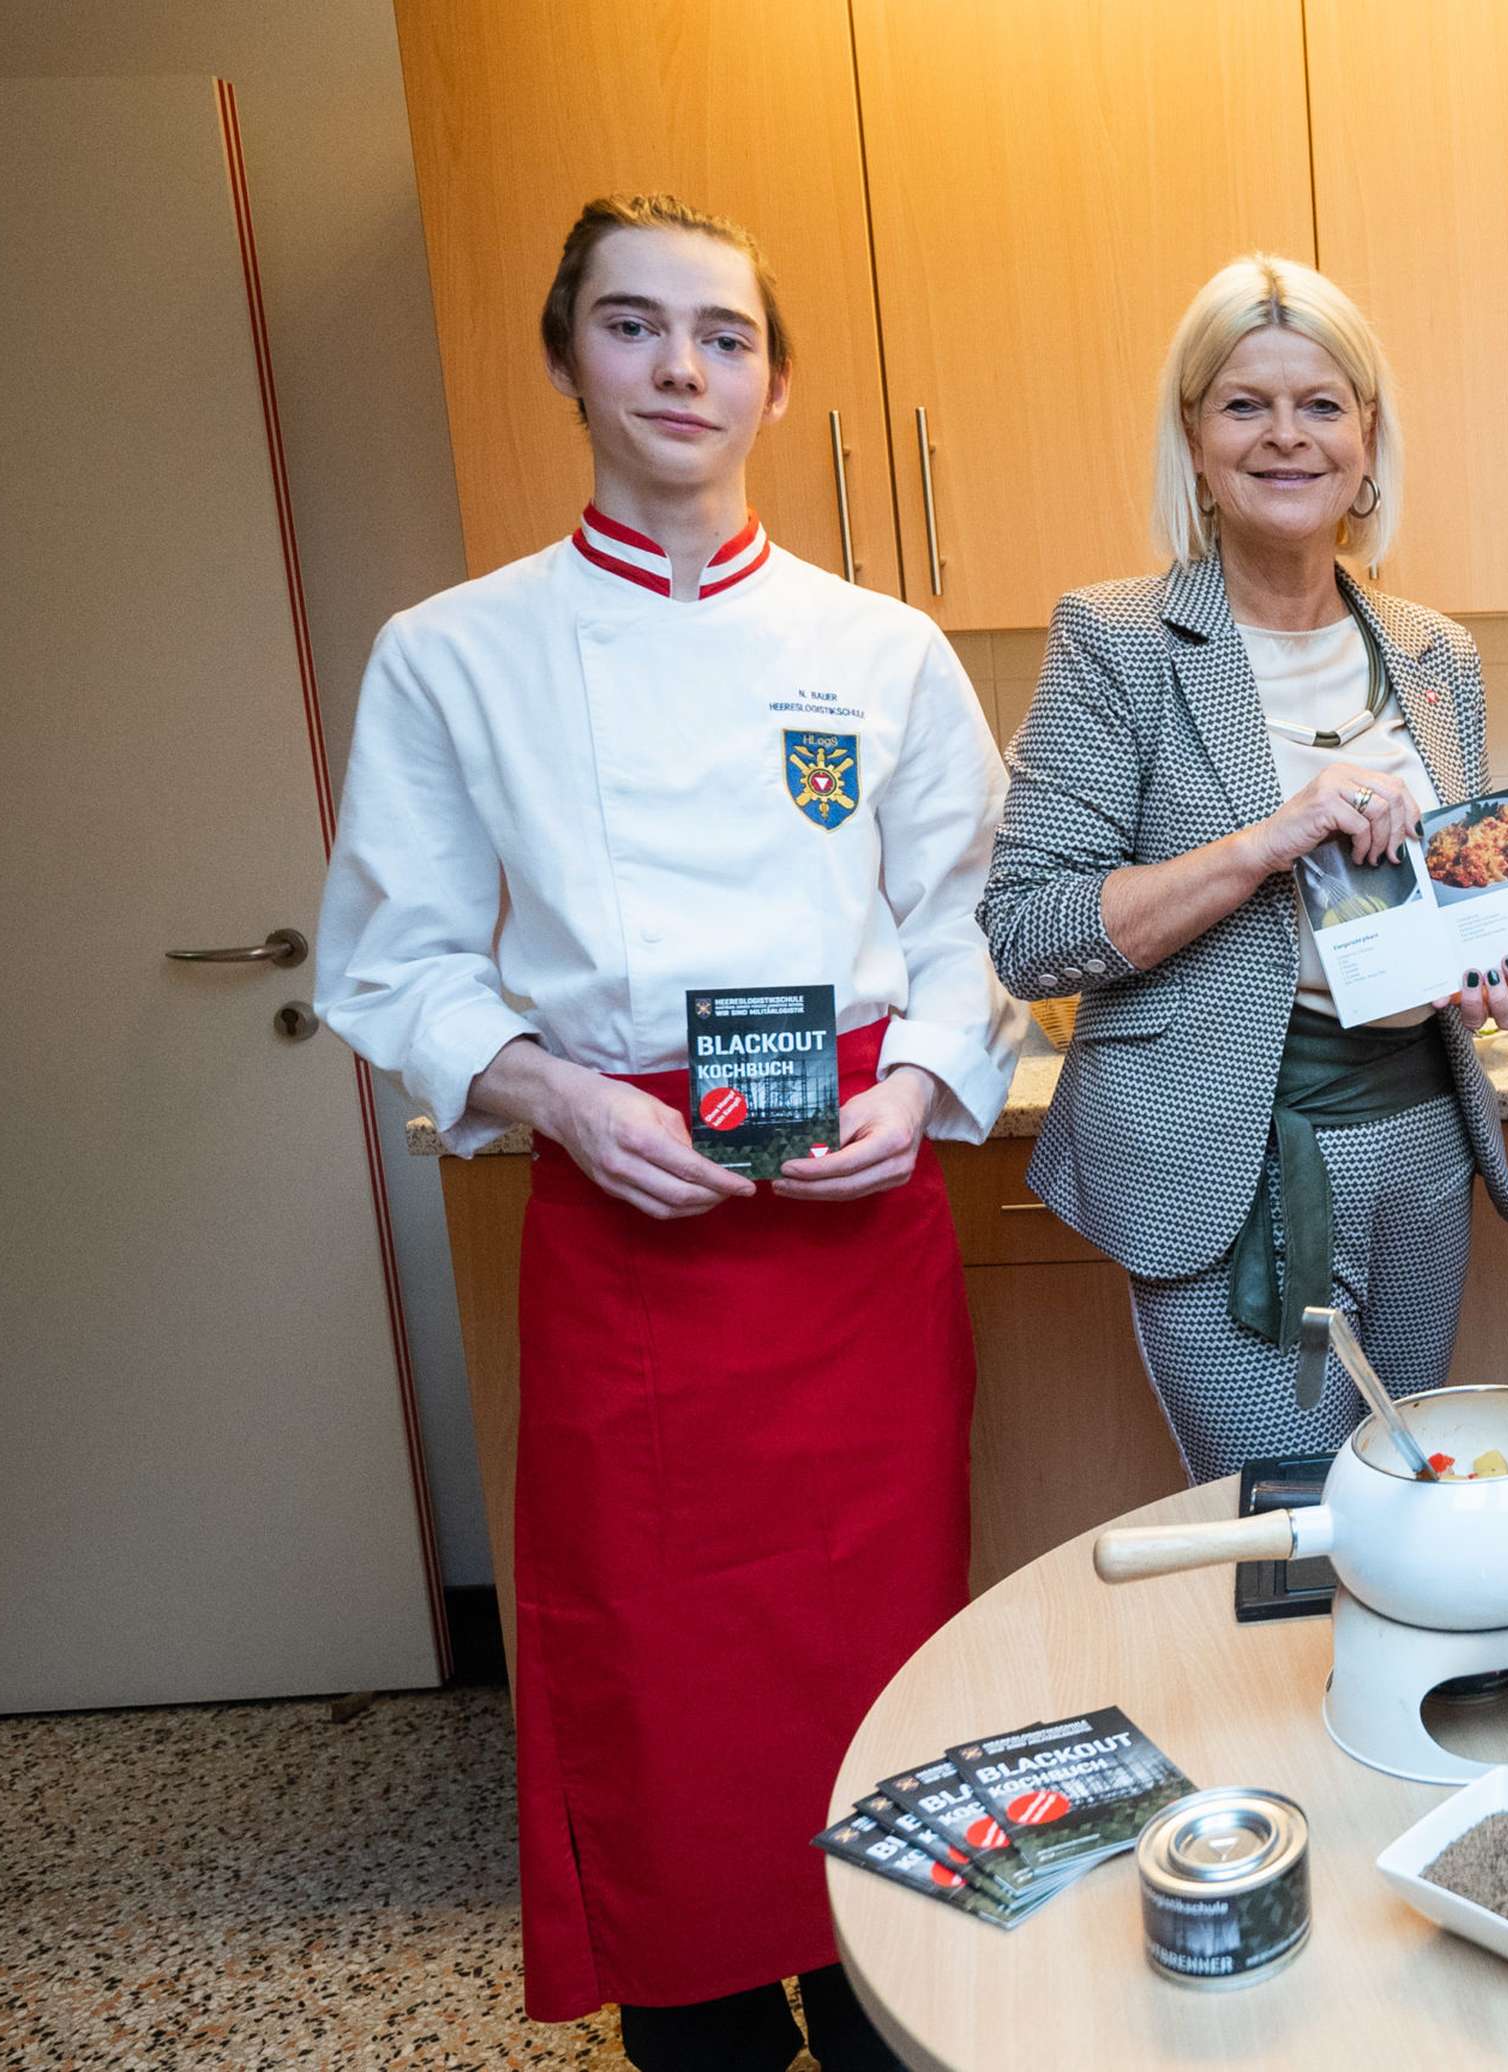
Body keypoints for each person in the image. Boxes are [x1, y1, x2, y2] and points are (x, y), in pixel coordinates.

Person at [316, 195, 1018, 2072]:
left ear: (776, 387)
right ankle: (697, 2024)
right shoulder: (452, 654)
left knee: (879, 1661)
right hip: (629, 1252)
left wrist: (921, 1084)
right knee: (657, 1682)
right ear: (569, 359)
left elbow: (971, 920)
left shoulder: (881, 648)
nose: (682, 367)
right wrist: (548, 1090)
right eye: (633, 326)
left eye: (724, 335)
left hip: (857, 1254)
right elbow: (389, 959)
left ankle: (881, 2003)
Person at [979, 253, 1508, 1483]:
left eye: (1321, 404)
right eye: (1246, 404)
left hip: (1422, 1146)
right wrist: (1265, 840)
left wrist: (1486, 971)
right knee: (1284, 1520)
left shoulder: (1435, 653)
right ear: (1194, 436)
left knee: (1402, 1506)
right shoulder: (1117, 640)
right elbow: (1028, 928)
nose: (1287, 435)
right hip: (1225, 1162)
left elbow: (1449, 901)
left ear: (1367, 434)